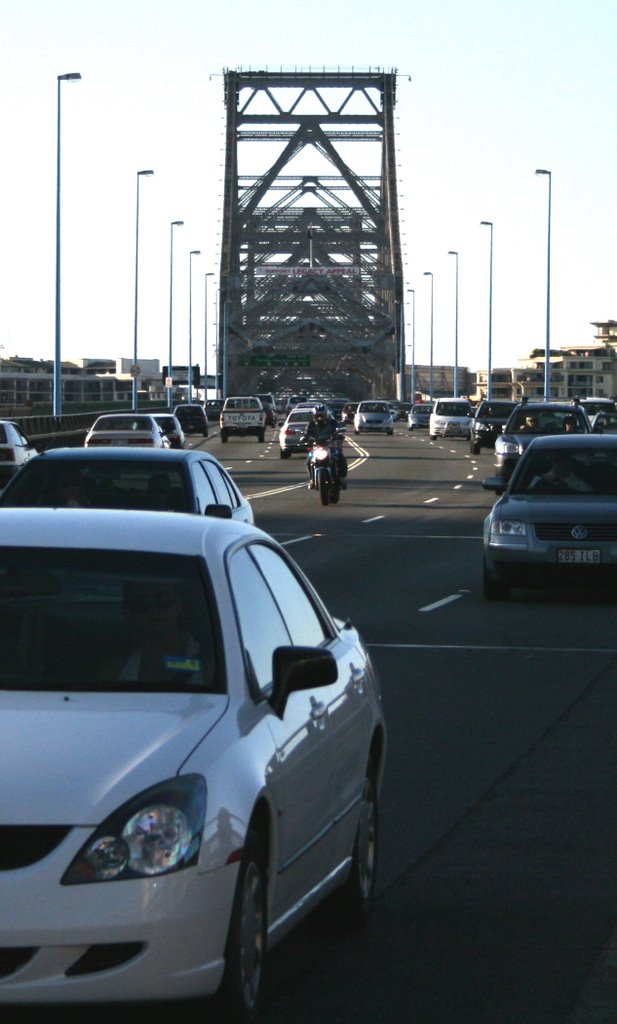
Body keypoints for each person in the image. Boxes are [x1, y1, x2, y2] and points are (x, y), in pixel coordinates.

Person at [119, 582, 205, 686]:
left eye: (163, 601)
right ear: (129, 613)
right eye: (142, 604)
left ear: (179, 606)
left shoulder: (213, 661)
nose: (153, 611)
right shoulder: (118, 667)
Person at [305, 404, 348, 489]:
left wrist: (339, 435)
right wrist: (306, 438)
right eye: (318, 416)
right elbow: (307, 434)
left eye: (321, 416)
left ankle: (342, 477)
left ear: (326, 415)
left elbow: (337, 430)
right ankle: (312, 479)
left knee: (340, 457)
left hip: (330, 446)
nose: (320, 418)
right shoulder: (311, 424)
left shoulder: (332, 422)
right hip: (317, 447)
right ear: (314, 416)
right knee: (309, 460)